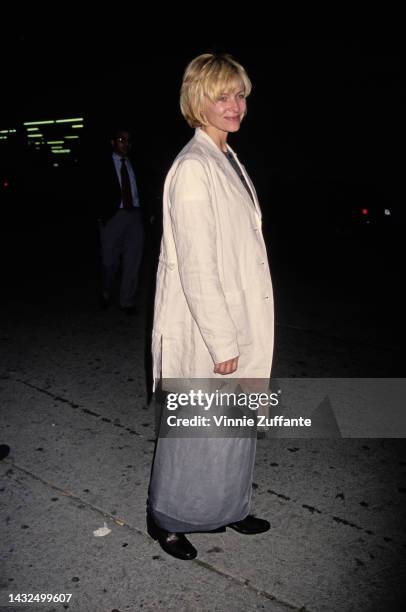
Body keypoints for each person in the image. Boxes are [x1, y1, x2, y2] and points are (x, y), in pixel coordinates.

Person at [147, 53, 274, 560]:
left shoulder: (227, 156)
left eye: (240, 94)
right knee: (196, 434)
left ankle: (226, 509)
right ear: (198, 100)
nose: (235, 105)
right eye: (222, 95)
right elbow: (197, 267)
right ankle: (167, 519)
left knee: (233, 430)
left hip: (239, 316)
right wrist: (223, 343)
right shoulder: (194, 168)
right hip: (210, 329)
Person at [96, 128, 144, 315]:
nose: (125, 144)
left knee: (133, 260)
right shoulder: (103, 164)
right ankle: (106, 292)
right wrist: (101, 215)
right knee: (109, 261)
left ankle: (127, 301)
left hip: (134, 214)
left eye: (128, 140)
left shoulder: (135, 163)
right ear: (112, 142)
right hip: (113, 216)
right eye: (121, 140)